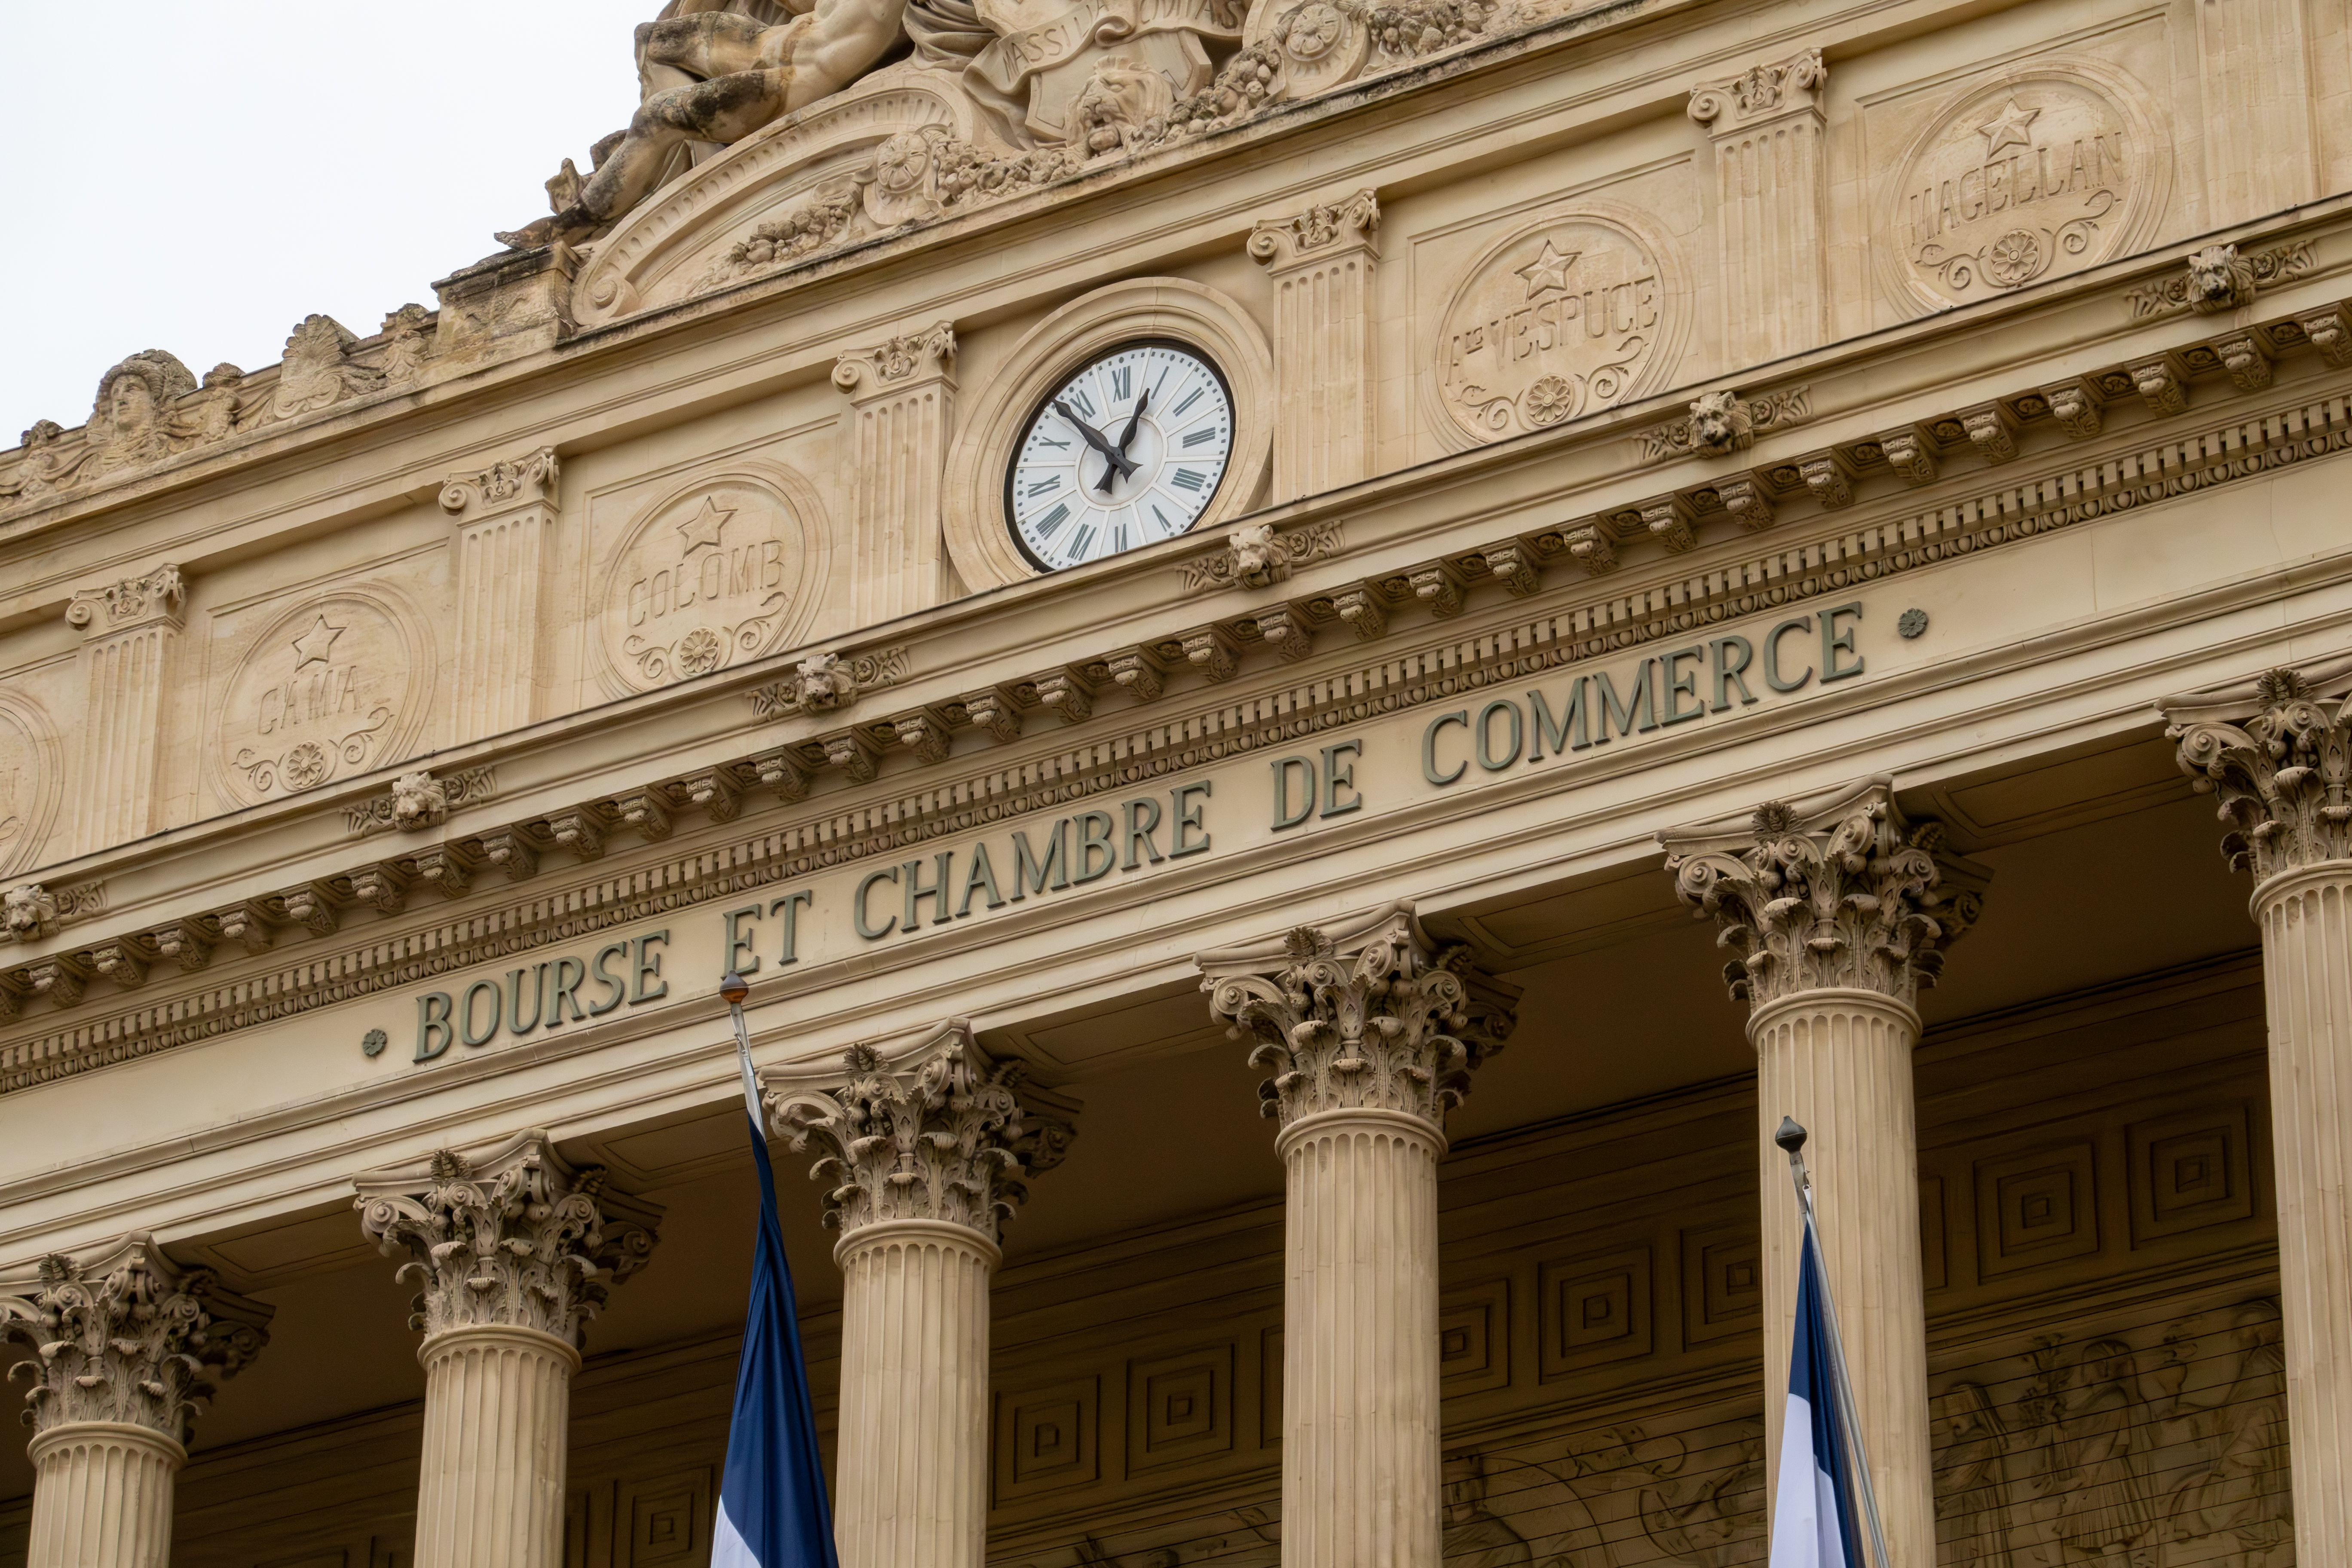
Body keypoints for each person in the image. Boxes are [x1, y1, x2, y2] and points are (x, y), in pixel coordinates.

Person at [498, 0, 909, 248]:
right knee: (652, 44)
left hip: (786, 77)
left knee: (657, 110)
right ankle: (693, 175)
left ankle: (576, 225)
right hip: (785, 47)